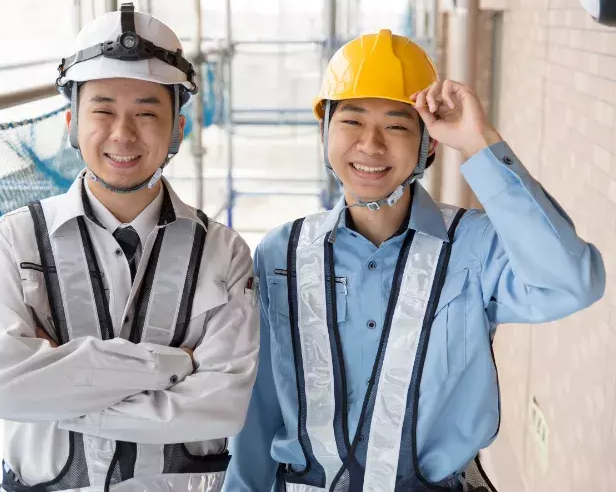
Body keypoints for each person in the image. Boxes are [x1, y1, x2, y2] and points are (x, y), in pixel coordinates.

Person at [223, 29, 605, 492]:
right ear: (325, 130)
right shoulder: (281, 253)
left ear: (429, 144)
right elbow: (258, 406)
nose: (371, 145)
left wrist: (479, 142)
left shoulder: (474, 247)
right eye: (352, 121)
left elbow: (572, 283)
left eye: (398, 126)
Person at [0, 2, 259, 492]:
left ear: (177, 130)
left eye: (147, 113)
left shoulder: (222, 253)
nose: (122, 134)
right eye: (102, 110)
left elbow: (221, 406)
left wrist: (59, 393)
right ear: (71, 124)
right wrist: (175, 364)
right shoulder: (14, 242)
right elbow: (2, 390)